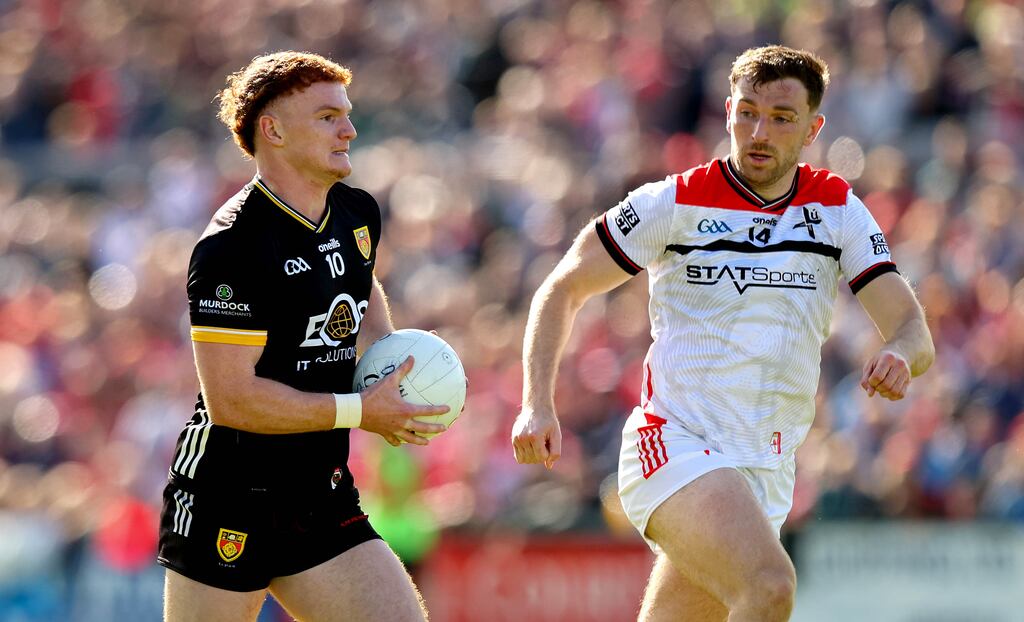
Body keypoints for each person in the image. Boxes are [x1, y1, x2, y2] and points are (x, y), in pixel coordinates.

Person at [512, 45, 934, 621]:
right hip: (673, 444)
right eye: (747, 112)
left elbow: (913, 330)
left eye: (781, 118)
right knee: (769, 585)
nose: (759, 132)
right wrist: (537, 403)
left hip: (765, 470)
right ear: (728, 111)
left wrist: (899, 355)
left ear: (814, 129)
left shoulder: (837, 210)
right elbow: (561, 288)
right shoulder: (674, 201)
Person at [157, 51, 449, 622]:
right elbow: (233, 401)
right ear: (273, 130)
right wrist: (360, 410)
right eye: (326, 116)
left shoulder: (356, 212)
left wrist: (389, 364)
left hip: (318, 491)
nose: (349, 128)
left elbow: (359, 293)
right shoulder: (231, 247)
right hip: (228, 494)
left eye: (346, 113)